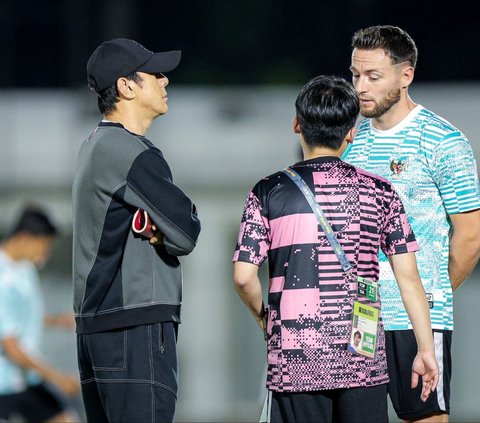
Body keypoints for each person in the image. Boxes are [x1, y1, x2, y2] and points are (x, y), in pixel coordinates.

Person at [232, 75, 438, 423]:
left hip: (296, 357)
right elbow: (408, 278)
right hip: (362, 354)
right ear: (351, 133)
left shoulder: (267, 191)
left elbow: (243, 277)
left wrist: (263, 318)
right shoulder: (380, 191)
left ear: (297, 124)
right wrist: (426, 349)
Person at [343, 25, 480, 422]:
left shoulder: (443, 141)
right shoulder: (351, 140)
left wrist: (424, 301)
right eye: (355, 75)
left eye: (373, 76)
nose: (360, 87)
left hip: (417, 320)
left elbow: (469, 237)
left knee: (425, 419)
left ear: (406, 76)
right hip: (361, 316)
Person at [72, 38, 201, 422]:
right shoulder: (130, 151)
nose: (165, 81)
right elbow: (187, 228)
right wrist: (166, 232)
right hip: (133, 325)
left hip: (101, 325)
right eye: (155, 74)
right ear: (127, 87)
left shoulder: (95, 144)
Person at [0, 206, 79, 422]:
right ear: (25, 238)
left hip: (26, 379)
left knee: (64, 418)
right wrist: (58, 378)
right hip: (4, 383)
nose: (46, 253)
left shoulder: (25, 268)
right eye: (45, 245)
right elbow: (11, 346)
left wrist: (55, 320)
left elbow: (16, 317)